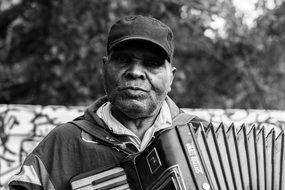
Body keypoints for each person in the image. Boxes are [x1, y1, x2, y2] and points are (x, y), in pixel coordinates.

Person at [7, 15, 207, 190]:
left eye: (152, 63)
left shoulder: (201, 137)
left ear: (171, 78)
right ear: (104, 68)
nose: (135, 72)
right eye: (123, 60)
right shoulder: (64, 141)